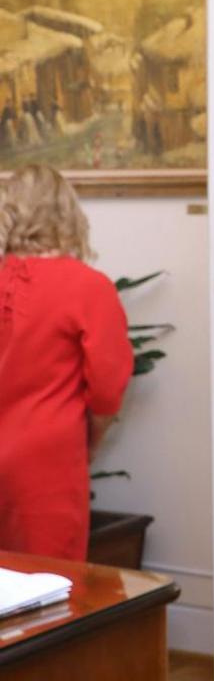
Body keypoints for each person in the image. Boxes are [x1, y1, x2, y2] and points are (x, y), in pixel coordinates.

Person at [0, 164, 132, 560]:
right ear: (68, 213)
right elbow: (107, 391)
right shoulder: (88, 287)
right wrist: (91, 444)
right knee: (50, 583)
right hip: (47, 464)